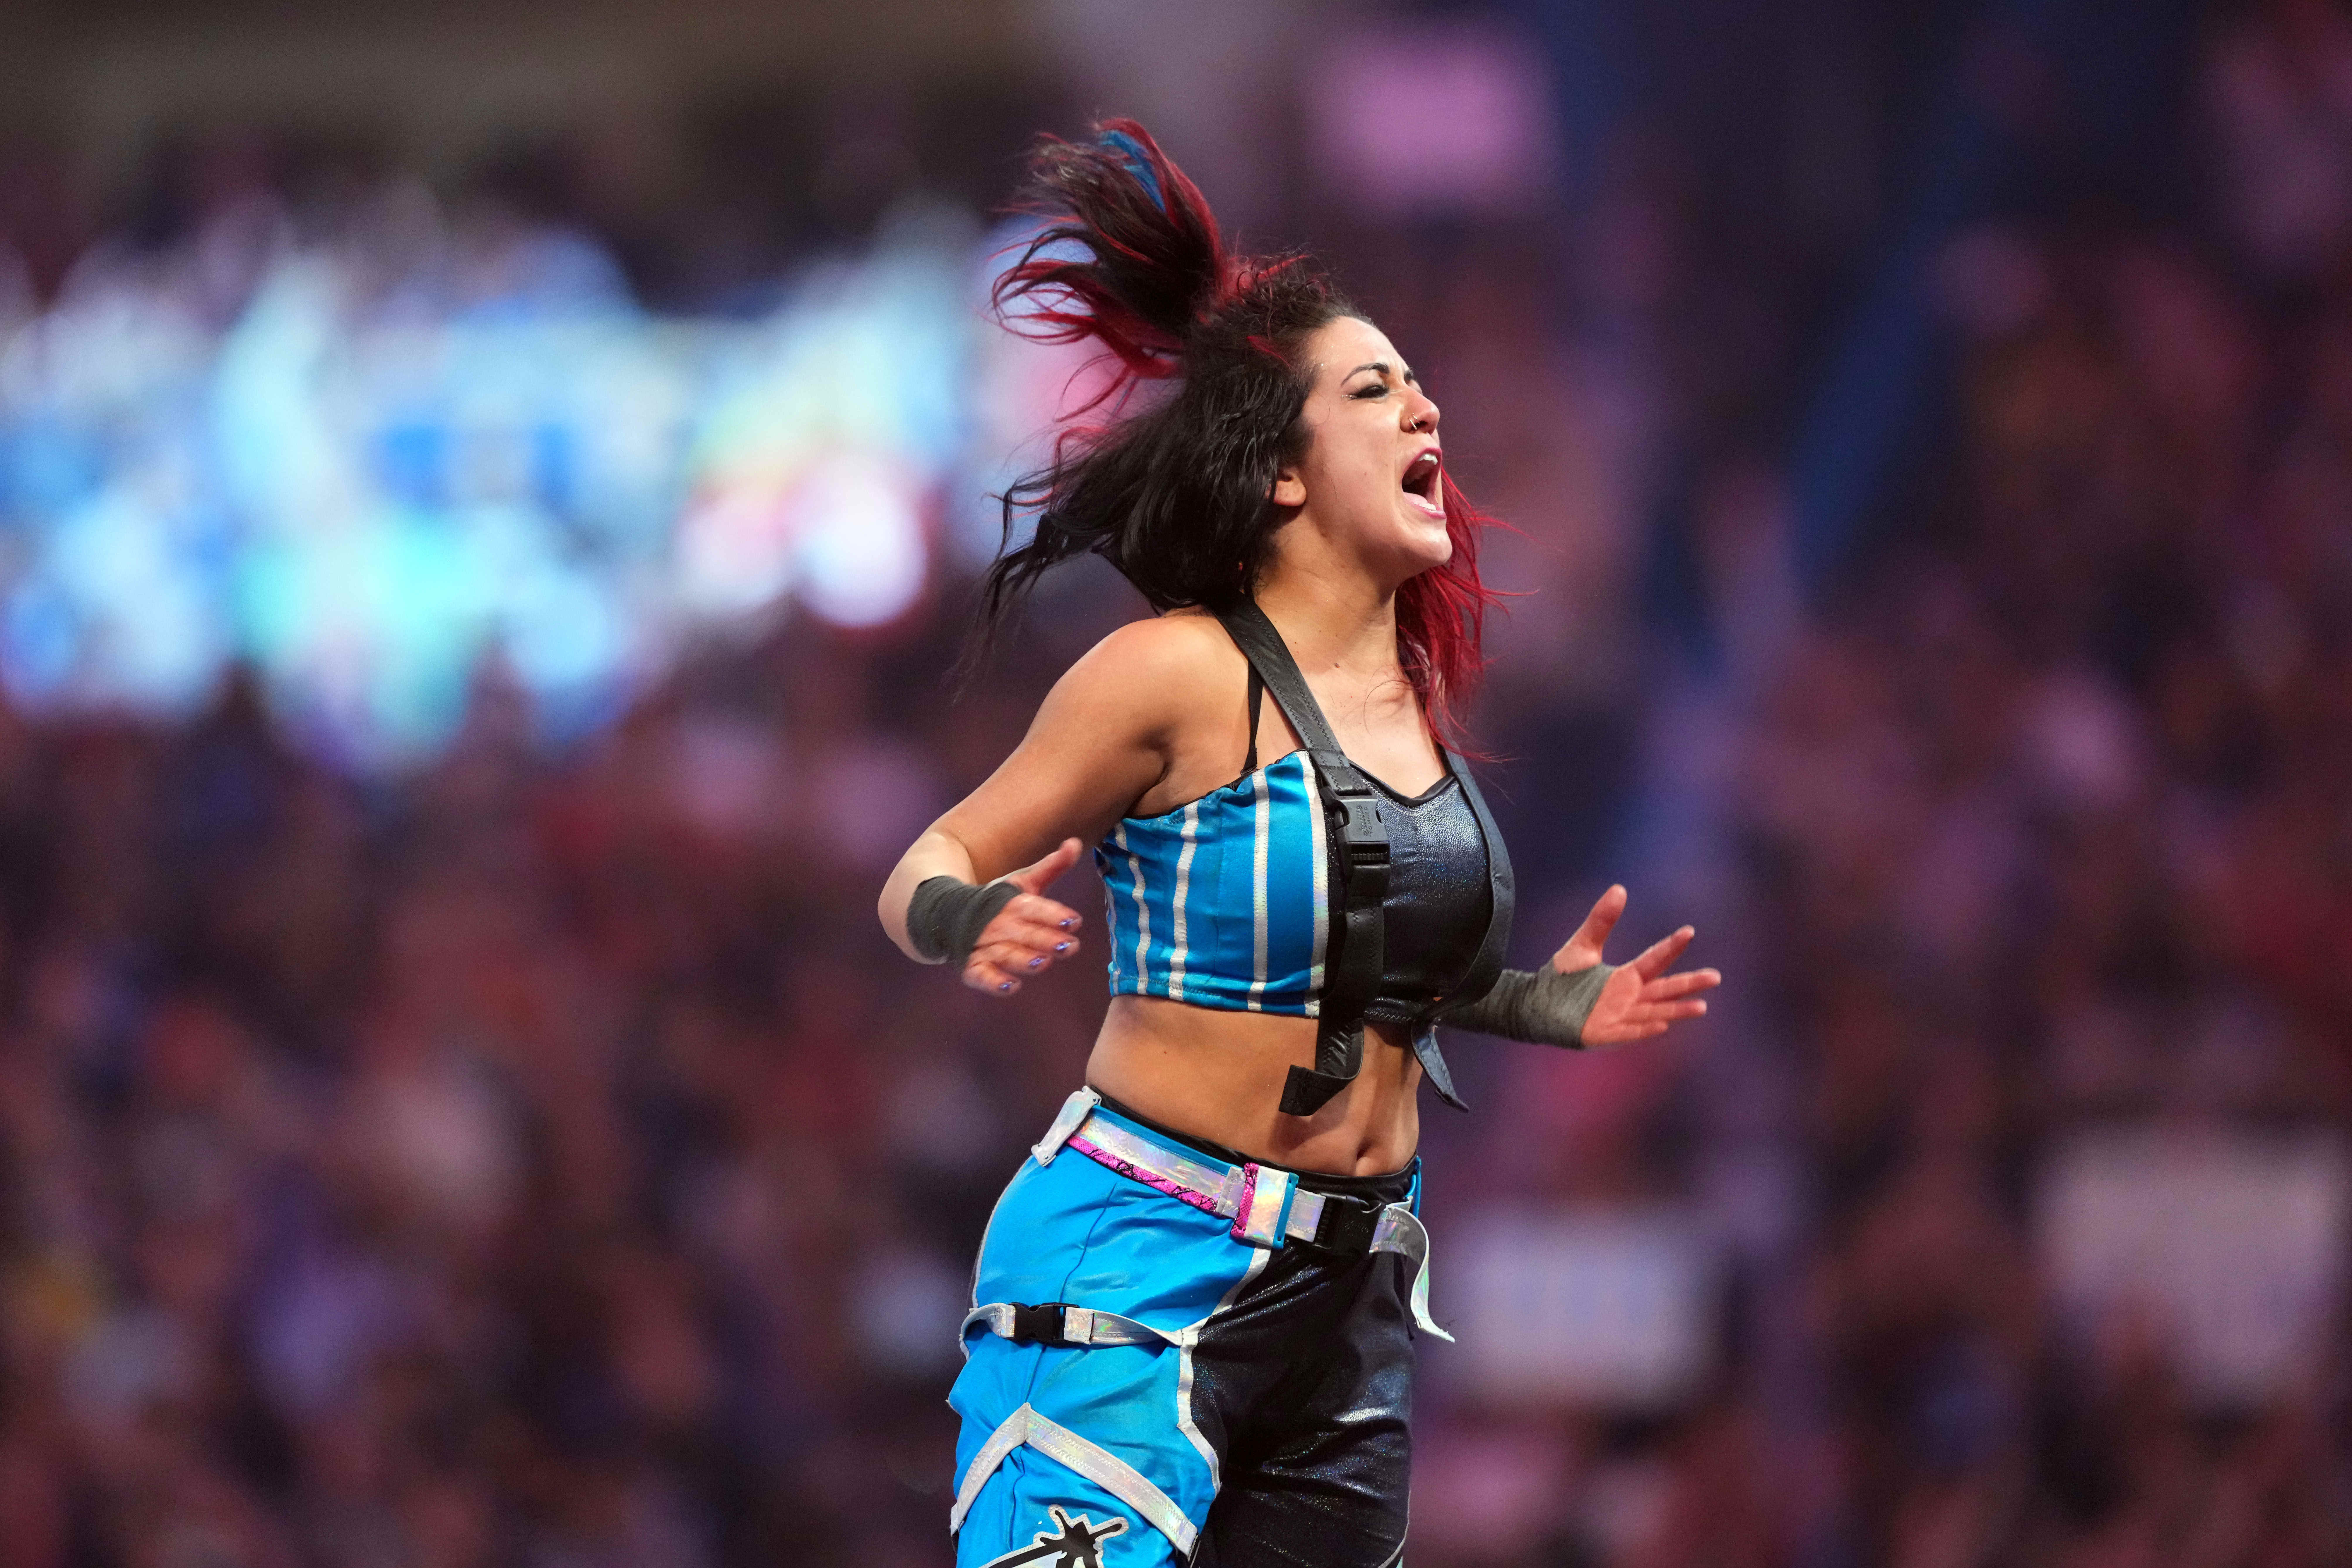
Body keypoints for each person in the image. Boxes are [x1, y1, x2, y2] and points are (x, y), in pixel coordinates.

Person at [877, 121, 1720, 1568]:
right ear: (1279, 473)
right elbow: (923, 867)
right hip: (1137, 1262)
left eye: (1421, 386)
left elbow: (1370, 978)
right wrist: (971, 922)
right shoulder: (1173, 674)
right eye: (1378, 389)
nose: (1426, 411)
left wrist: (1536, 1005)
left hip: (1351, 1303)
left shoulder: (1414, 712)